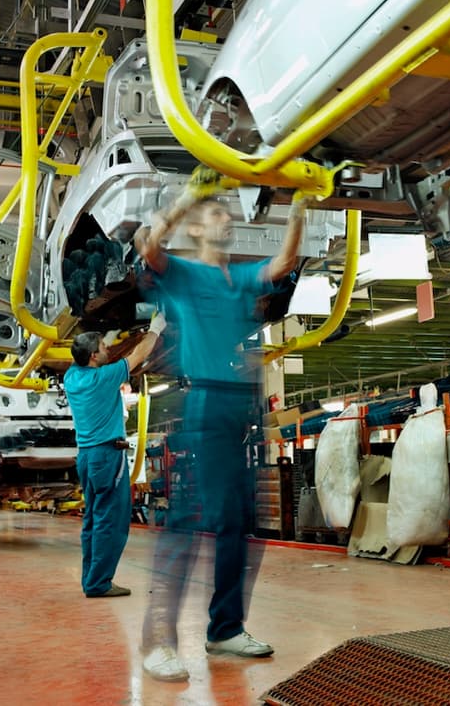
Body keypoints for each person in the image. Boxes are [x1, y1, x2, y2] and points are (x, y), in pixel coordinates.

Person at [133, 177, 307, 683]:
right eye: (215, 213)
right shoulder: (184, 274)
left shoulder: (240, 278)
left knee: (239, 521)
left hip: (238, 405)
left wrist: (299, 208)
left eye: (227, 213)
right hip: (205, 402)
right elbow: (149, 246)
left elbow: (283, 264)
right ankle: (159, 643)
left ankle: (225, 629)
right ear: (194, 228)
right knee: (189, 522)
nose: (226, 218)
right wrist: (187, 199)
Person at [64, 313, 165, 598]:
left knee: (93, 519)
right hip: (107, 457)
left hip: (87, 458)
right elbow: (139, 354)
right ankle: (99, 583)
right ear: (93, 357)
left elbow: (85, 354)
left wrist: (106, 334)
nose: (107, 348)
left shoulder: (72, 377)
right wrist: (156, 328)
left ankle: (91, 580)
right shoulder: (103, 378)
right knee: (111, 520)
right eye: (103, 347)